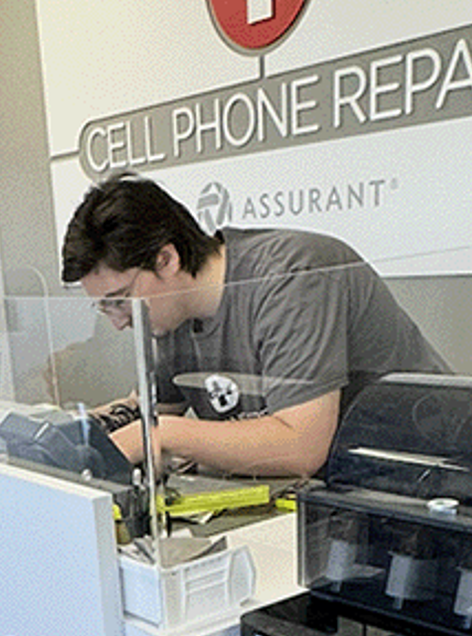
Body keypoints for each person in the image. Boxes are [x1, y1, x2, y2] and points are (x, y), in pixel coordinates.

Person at [61, 169, 448, 480]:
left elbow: (301, 446)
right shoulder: (170, 315)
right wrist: (67, 431)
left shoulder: (291, 274)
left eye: (120, 299)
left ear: (167, 259)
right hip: (326, 487)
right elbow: (150, 408)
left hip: (421, 472)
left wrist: (160, 437)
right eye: (103, 308)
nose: (117, 322)